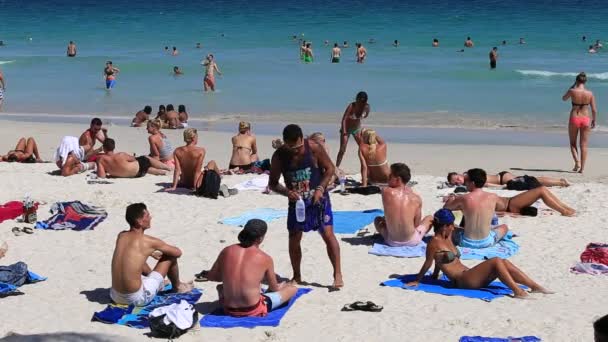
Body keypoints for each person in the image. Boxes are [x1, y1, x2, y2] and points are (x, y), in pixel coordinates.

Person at [407, 209, 553, 299]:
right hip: (463, 281)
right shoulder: (433, 243)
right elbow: (428, 262)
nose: (453, 227)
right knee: (496, 261)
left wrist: (435, 275)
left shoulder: (448, 236)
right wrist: (418, 280)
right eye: (451, 225)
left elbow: (439, 260)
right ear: (444, 226)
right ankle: (518, 291)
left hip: (469, 275)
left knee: (504, 262)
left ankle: (534, 286)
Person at [268, 124, 343, 288]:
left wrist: (321, 188)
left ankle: (337, 274)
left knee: (328, 234)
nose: (295, 150)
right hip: (297, 203)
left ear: (303, 139)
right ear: (285, 143)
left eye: (298, 147)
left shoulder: (314, 148)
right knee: (294, 238)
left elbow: (330, 168)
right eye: (291, 147)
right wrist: (287, 192)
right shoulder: (279, 156)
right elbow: (272, 184)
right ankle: (297, 275)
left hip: (318, 199)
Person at [203, 219, 298, 317]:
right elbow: (274, 288)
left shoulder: (226, 250)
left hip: (227, 308)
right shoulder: (265, 258)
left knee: (221, 287)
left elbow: (213, 277)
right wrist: (282, 285)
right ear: (260, 238)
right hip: (253, 309)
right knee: (292, 289)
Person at [110, 203, 193, 307]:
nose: (150, 217)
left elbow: (134, 256)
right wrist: (158, 250)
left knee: (134, 260)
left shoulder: (121, 236)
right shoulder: (148, 242)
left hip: (115, 295)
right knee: (170, 256)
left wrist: (150, 252)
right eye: (147, 216)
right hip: (136, 299)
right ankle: (178, 287)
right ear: (139, 221)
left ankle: (156, 281)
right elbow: (177, 252)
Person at [443, 168, 509, 249]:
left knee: (453, 227)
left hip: (465, 242)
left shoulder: (463, 198)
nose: (465, 183)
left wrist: (451, 199)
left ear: (472, 183)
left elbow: (446, 208)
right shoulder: (493, 197)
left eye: (467, 180)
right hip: (487, 242)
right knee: (504, 227)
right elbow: (502, 206)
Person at [374, 163, 432, 247]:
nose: (388, 179)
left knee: (377, 219)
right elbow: (416, 224)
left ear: (398, 180)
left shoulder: (386, 191)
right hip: (413, 241)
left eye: (390, 176)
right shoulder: (416, 199)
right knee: (430, 218)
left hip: (392, 241)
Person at [562, 72, 598, 173]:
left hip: (574, 118)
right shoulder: (590, 93)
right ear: (585, 82)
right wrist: (594, 120)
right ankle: (582, 169)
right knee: (584, 145)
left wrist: (572, 86)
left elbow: (564, 99)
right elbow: (594, 109)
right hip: (586, 119)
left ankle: (577, 162)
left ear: (576, 81)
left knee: (573, 143)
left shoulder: (572, 91)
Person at [96, 139, 170, 178]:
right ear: (114, 147)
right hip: (137, 171)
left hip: (136, 175)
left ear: (104, 148)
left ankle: (163, 172)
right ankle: (167, 168)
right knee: (145, 158)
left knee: (146, 168)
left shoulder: (101, 160)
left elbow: (102, 176)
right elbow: (134, 159)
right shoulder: (121, 155)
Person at [336, 91, 370, 168]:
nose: (360, 103)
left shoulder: (367, 107)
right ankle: (336, 167)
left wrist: (363, 115)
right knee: (342, 150)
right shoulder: (352, 105)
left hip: (356, 129)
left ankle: (367, 167)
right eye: (358, 100)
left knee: (363, 148)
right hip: (346, 129)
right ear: (356, 99)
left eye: (362, 101)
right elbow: (344, 119)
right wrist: (344, 131)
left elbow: (366, 115)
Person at [447, 171, 569, 188]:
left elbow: (486, 184)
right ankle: (559, 181)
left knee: (532, 180)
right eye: (455, 182)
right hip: (503, 177)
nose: (458, 181)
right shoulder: (467, 179)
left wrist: (501, 187)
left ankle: (560, 182)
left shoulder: (468, 176)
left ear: (459, 174)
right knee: (532, 180)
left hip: (503, 179)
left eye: (457, 178)